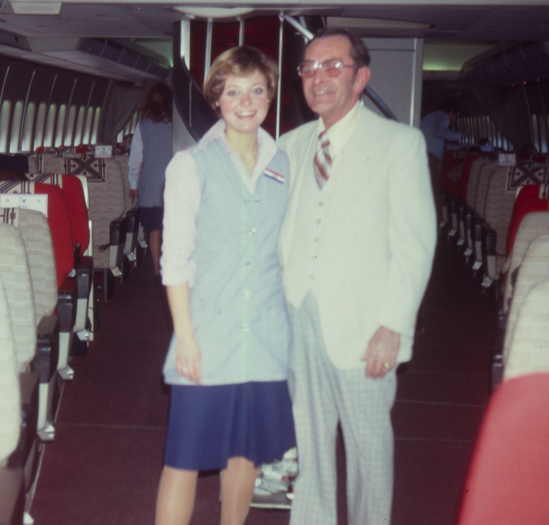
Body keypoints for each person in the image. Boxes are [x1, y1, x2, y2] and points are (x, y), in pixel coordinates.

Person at [278, 29, 437, 525]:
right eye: (309, 68)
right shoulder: (289, 145)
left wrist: (394, 325)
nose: (318, 78)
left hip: (368, 327)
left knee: (369, 452)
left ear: (361, 77)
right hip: (297, 316)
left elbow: (415, 244)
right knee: (310, 445)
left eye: (333, 67)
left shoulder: (400, 143)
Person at [157, 46, 296, 525]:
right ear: (216, 98)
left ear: (270, 96)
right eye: (232, 91)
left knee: (246, 455)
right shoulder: (190, 165)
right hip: (208, 335)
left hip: (265, 338)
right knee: (184, 459)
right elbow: (174, 261)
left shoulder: (286, 165)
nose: (245, 101)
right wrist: (186, 339)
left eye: (256, 90)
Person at [128, 83, 173, 280]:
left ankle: (156, 269)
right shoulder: (176, 125)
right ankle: (173, 268)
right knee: (172, 229)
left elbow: (135, 159)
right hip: (173, 183)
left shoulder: (142, 125)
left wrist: (133, 185)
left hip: (150, 185)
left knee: (154, 230)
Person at [420, 98, 469, 219]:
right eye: (455, 116)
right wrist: (460, 135)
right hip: (427, 159)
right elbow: (441, 132)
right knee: (435, 191)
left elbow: (438, 137)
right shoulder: (443, 117)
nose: (453, 120)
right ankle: (438, 222)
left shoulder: (433, 117)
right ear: (451, 112)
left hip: (422, 157)